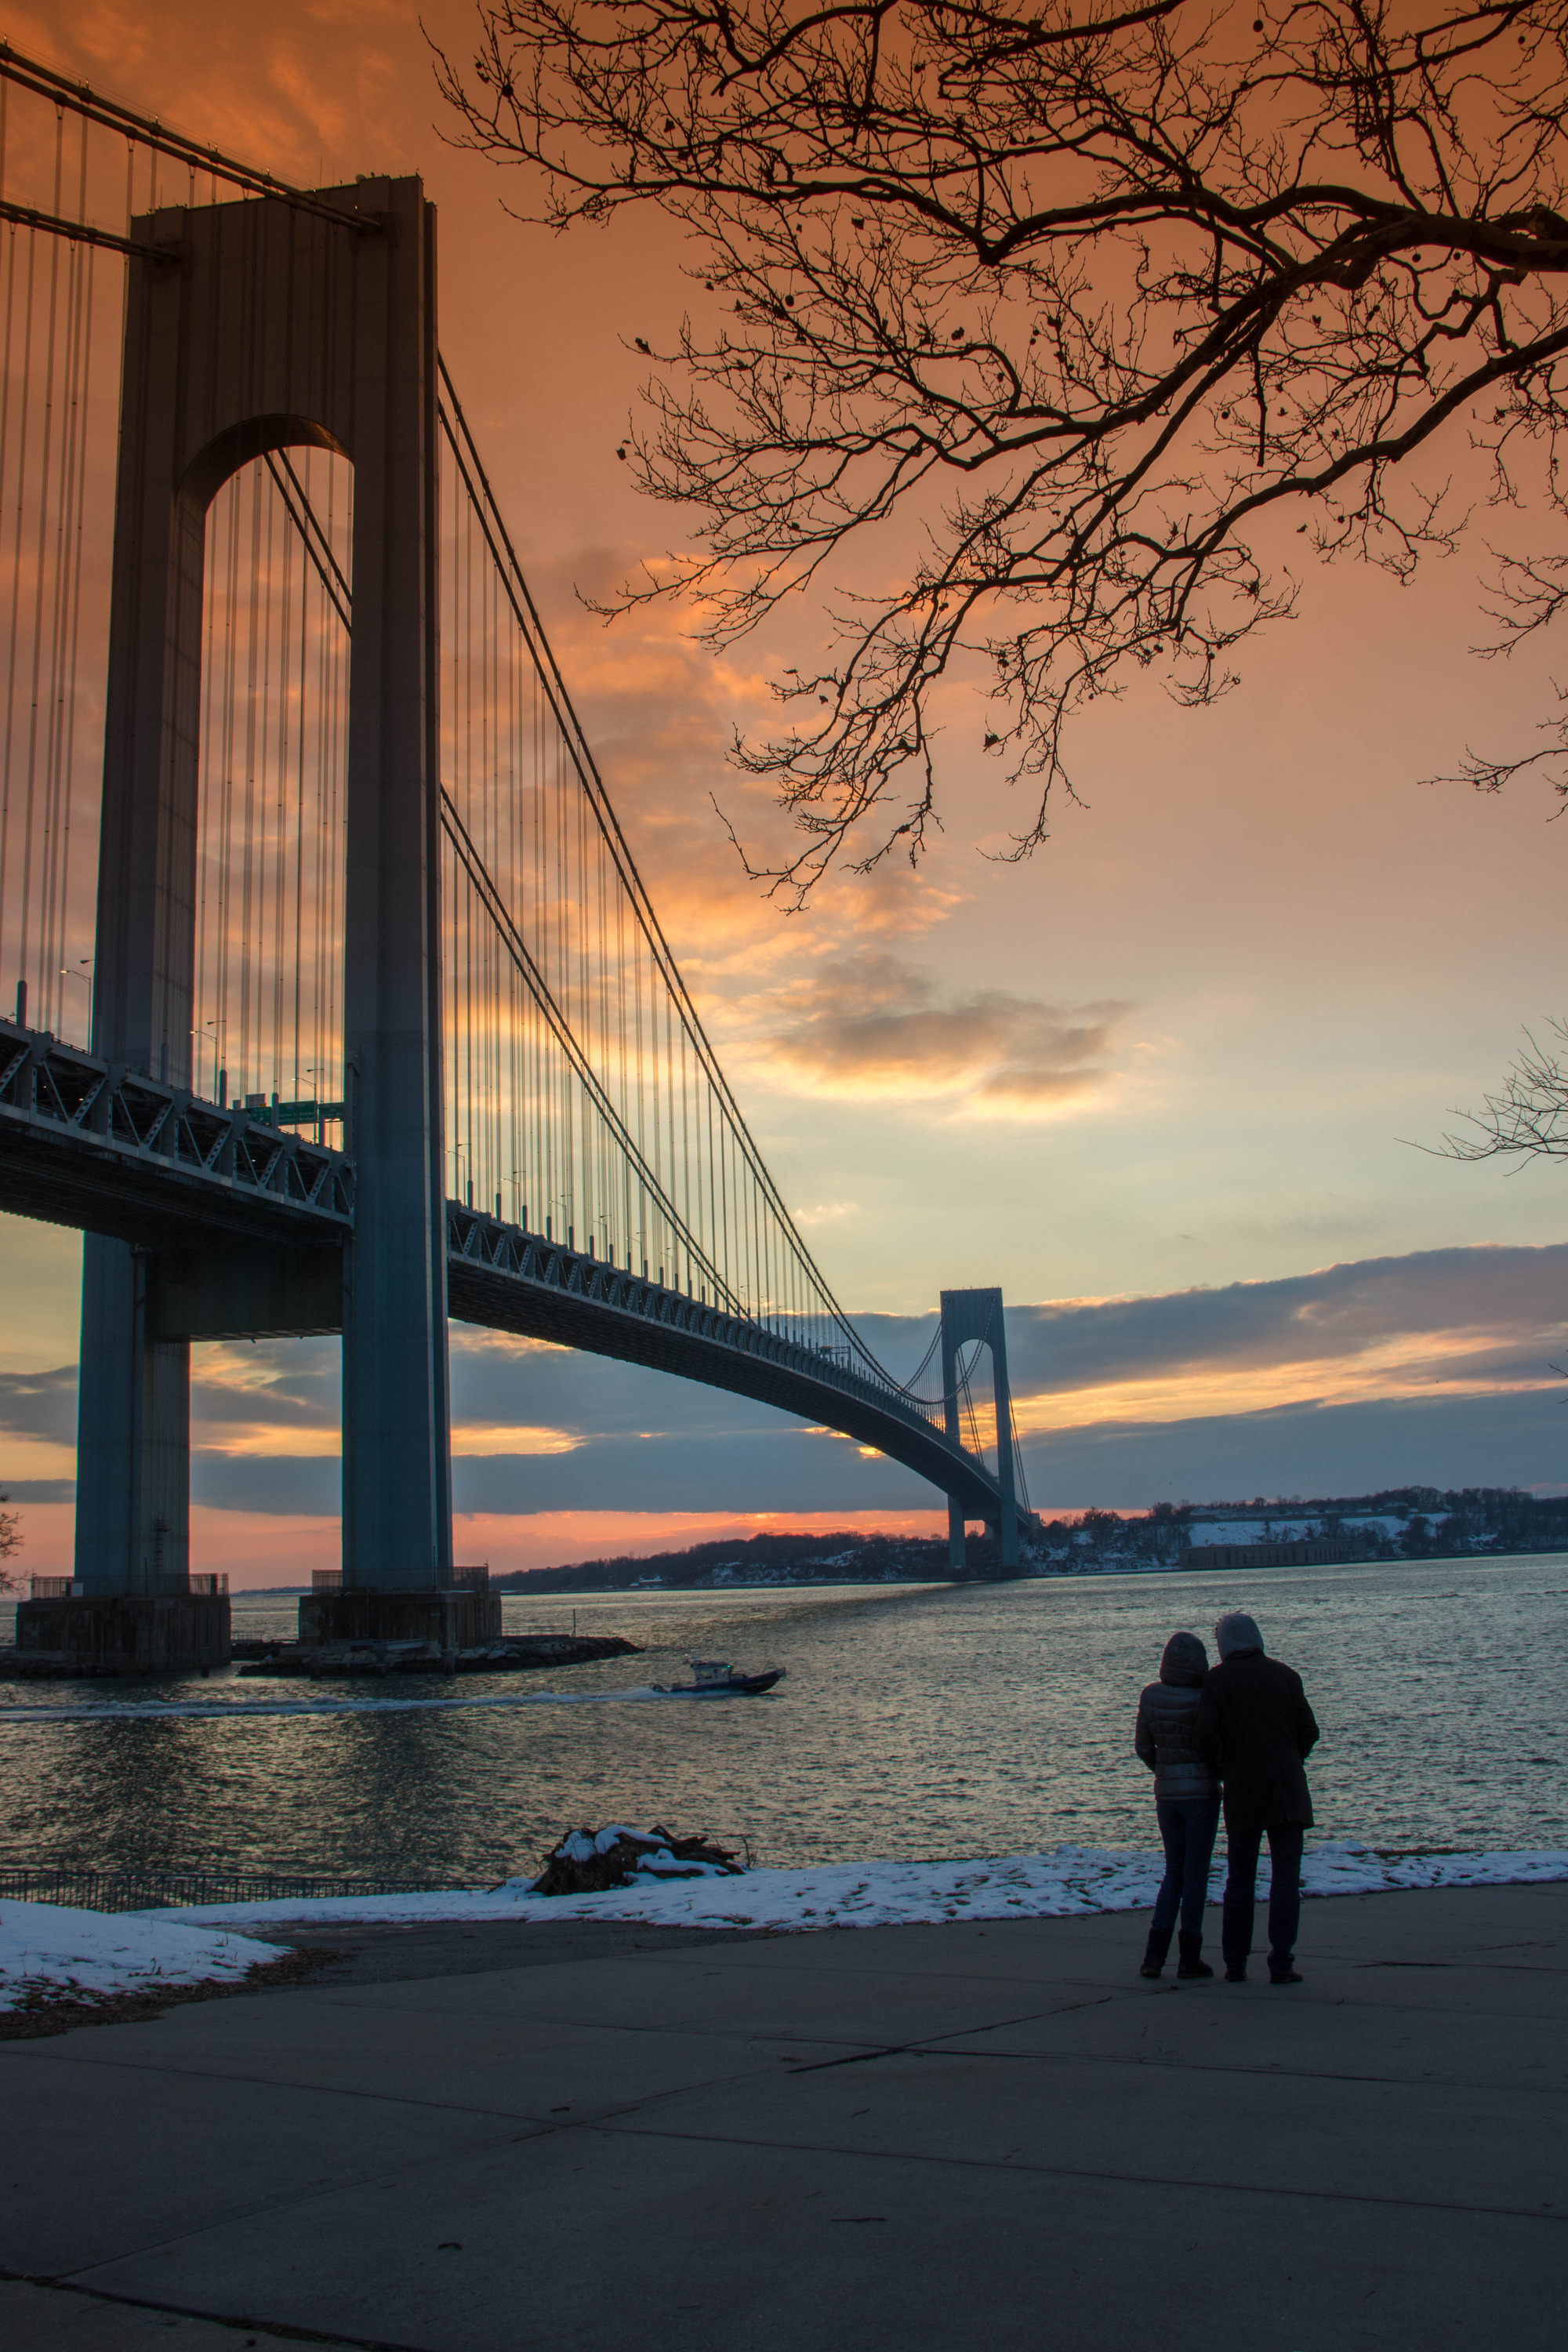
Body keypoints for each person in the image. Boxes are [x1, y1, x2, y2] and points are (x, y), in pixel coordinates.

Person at [1195, 1611, 1320, 1985]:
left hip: (1243, 1791)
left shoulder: (1216, 1682)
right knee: (1285, 1880)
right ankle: (1281, 1961)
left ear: (1224, 1645)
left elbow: (1204, 1740)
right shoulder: (1287, 1676)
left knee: (1240, 1880)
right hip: (1288, 1790)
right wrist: (1290, 1759)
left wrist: (1225, 1769)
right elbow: (1309, 1731)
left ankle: (1236, 1964)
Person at [1133, 1630, 1221, 1980]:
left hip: (1166, 1795)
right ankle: (1190, 1956)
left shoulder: (1150, 1695)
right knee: (1197, 1874)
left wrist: (1165, 1772)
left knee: (1174, 1872)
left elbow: (1142, 1747)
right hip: (1201, 1794)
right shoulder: (1205, 1698)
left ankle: (1153, 1957)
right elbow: (1215, 1747)